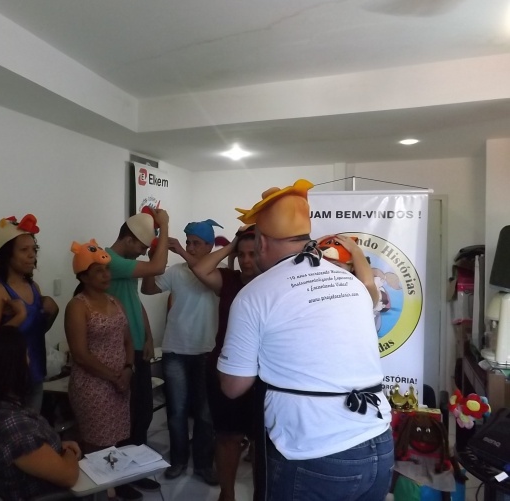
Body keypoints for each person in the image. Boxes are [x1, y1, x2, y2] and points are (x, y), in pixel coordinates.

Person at [218, 179, 393, 501]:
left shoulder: (256, 293)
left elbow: (233, 386)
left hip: (311, 450)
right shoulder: (352, 283)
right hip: (379, 442)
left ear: (262, 242)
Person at [141, 219, 222, 485]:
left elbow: (202, 273)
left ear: (210, 246)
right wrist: (152, 261)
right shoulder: (176, 272)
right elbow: (147, 289)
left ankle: (203, 465)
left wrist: (182, 253)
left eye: (196, 243)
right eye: (188, 243)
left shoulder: (217, 273)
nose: (190, 247)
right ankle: (178, 460)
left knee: (205, 414)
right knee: (176, 412)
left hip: (206, 352)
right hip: (175, 350)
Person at [0, 326, 81, 501]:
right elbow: (69, 476)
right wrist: (68, 452)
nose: (29, 362)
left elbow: (31, 452)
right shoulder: (13, 427)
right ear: (13, 367)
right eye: (26, 355)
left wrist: (57, 447)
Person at [190, 224, 260, 501]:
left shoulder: (273, 283)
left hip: (263, 372)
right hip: (225, 370)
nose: (246, 260)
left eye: (252, 254)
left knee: (260, 442)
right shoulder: (229, 280)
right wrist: (233, 244)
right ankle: (227, 494)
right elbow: (200, 269)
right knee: (227, 437)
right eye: (241, 255)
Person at [105, 208, 170, 496]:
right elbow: (158, 267)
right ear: (129, 239)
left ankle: (136, 470)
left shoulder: (125, 264)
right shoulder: (110, 261)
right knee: (124, 417)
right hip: (120, 352)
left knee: (142, 413)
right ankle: (120, 481)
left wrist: (148, 334)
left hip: (137, 347)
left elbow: (134, 300)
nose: (144, 252)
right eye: (142, 246)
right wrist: (164, 226)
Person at [0, 214, 59, 411]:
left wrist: (53, 312)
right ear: (7, 254)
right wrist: (20, 316)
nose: (32, 255)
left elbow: (35, 332)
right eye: (24, 250)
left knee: (32, 430)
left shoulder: (33, 287)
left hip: (35, 376)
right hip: (5, 383)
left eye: (34, 249)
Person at [64, 239, 133, 454]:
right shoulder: (78, 306)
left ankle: (115, 478)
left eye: (107, 270)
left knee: (116, 443)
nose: (106, 275)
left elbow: (127, 340)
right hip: (93, 387)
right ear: (84, 277)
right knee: (97, 447)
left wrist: (128, 369)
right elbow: (80, 354)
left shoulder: (115, 302)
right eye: (99, 271)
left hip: (120, 384)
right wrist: (114, 377)